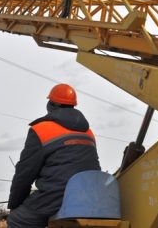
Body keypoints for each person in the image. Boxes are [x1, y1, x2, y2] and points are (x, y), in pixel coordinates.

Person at [7, 84, 101, 228]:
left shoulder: (41, 130)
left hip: (56, 197)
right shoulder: (89, 133)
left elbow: (25, 173)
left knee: (16, 220)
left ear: (51, 104)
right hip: (90, 199)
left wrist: (15, 204)